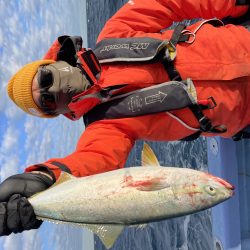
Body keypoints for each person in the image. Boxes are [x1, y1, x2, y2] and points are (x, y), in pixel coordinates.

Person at [1, 0, 250, 236]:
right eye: (47, 101)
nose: (52, 90)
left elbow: (170, 3)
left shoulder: (115, 32)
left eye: (45, 79)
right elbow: (89, 166)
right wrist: (44, 178)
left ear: (54, 63)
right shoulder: (104, 126)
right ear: (57, 112)